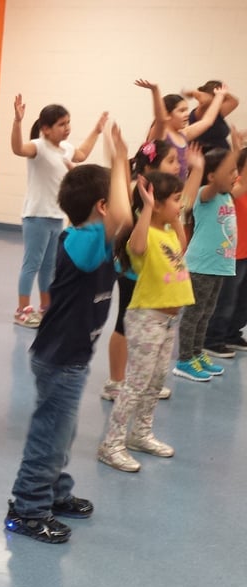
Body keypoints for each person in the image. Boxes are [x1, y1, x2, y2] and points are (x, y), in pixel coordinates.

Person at [5, 122, 133, 543]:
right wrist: (119, 160)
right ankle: (27, 507)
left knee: (64, 430)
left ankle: (54, 493)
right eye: (113, 197)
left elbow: (127, 223)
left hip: (71, 357)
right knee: (50, 432)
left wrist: (118, 165)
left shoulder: (98, 242)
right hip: (60, 358)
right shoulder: (83, 241)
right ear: (101, 206)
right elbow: (123, 216)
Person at [97, 173, 194, 472]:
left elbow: (181, 245)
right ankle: (111, 443)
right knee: (136, 384)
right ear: (157, 203)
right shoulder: (145, 234)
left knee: (155, 381)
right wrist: (149, 206)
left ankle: (140, 433)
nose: (181, 204)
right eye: (176, 199)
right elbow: (137, 247)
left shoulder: (166, 232)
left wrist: (175, 215)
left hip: (167, 322)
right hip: (146, 318)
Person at [100, 139, 203, 401]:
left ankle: (142, 379)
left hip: (158, 270)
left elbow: (185, 205)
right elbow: (122, 209)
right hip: (134, 270)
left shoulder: (167, 198)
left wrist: (197, 170)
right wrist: (120, 161)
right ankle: (116, 381)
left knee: (150, 332)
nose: (176, 166)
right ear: (150, 168)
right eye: (171, 161)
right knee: (125, 323)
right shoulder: (141, 193)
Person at [11, 96, 107, 328]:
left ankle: (46, 306)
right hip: (36, 216)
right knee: (32, 263)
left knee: (49, 266)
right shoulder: (38, 146)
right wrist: (17, 121)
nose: (67, 128)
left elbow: (82, 154)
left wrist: (96, 130)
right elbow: (17, 148)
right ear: (46, 128)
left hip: (56, 217)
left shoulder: (65, 148)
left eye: (68, 123)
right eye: (62, 124)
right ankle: (22, 310)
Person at [172, 148, 238, 381]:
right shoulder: (204, 194)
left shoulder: (227, 195)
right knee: (193, 314)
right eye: (231, 171)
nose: (235, 176)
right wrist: (200, 166)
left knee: (206, 313)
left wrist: (237, 152)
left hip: (218, 266)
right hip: (201, 266)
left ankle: (197, 354)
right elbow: (214, 182)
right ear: (212, 176)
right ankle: (184, 360)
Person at [136, 78, 226, 181]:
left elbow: (208, 121)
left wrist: (219, 96)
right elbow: (160, 119)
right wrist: (155, 91)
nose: (187, 114)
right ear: (168, 114)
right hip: (162, 188)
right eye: (181, 111)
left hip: (180, 187)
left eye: (187, 110)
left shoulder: (183, 134)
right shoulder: (161, 135)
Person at [204, 144, 247, 354]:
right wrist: (237, 152)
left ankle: (231, 334)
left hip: (245, 253)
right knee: (226, 301)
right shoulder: (232, 188)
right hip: (231, 255)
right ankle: (212, 339)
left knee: (242, 301)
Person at [184, 80, 239, 152]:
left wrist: (223, 92)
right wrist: (218, 94)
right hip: (206, 157)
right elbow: (205, 99)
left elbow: (234, 102)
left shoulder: (217, 111)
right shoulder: (201, 110)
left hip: (223, 155)